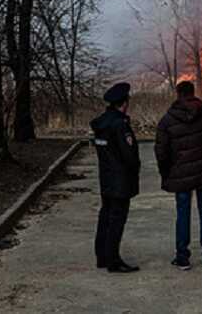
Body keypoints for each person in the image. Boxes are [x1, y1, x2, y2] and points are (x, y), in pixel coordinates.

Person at [155, 81, 202, 271]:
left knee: (182, 214)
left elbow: (161, 151)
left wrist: (166, 172)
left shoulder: (167, 119)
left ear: (177, 94)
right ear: (193, 93)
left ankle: (182, 258)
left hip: (181, 175)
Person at [90, 82, 141, 273]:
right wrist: (135, 167)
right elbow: (129, 155)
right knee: (117, 220)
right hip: (121, 180)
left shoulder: (101, 124)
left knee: (105, 217)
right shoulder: (120, 125)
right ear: (124, 102)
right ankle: (114, 260)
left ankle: (102, 256)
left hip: (107, 178)